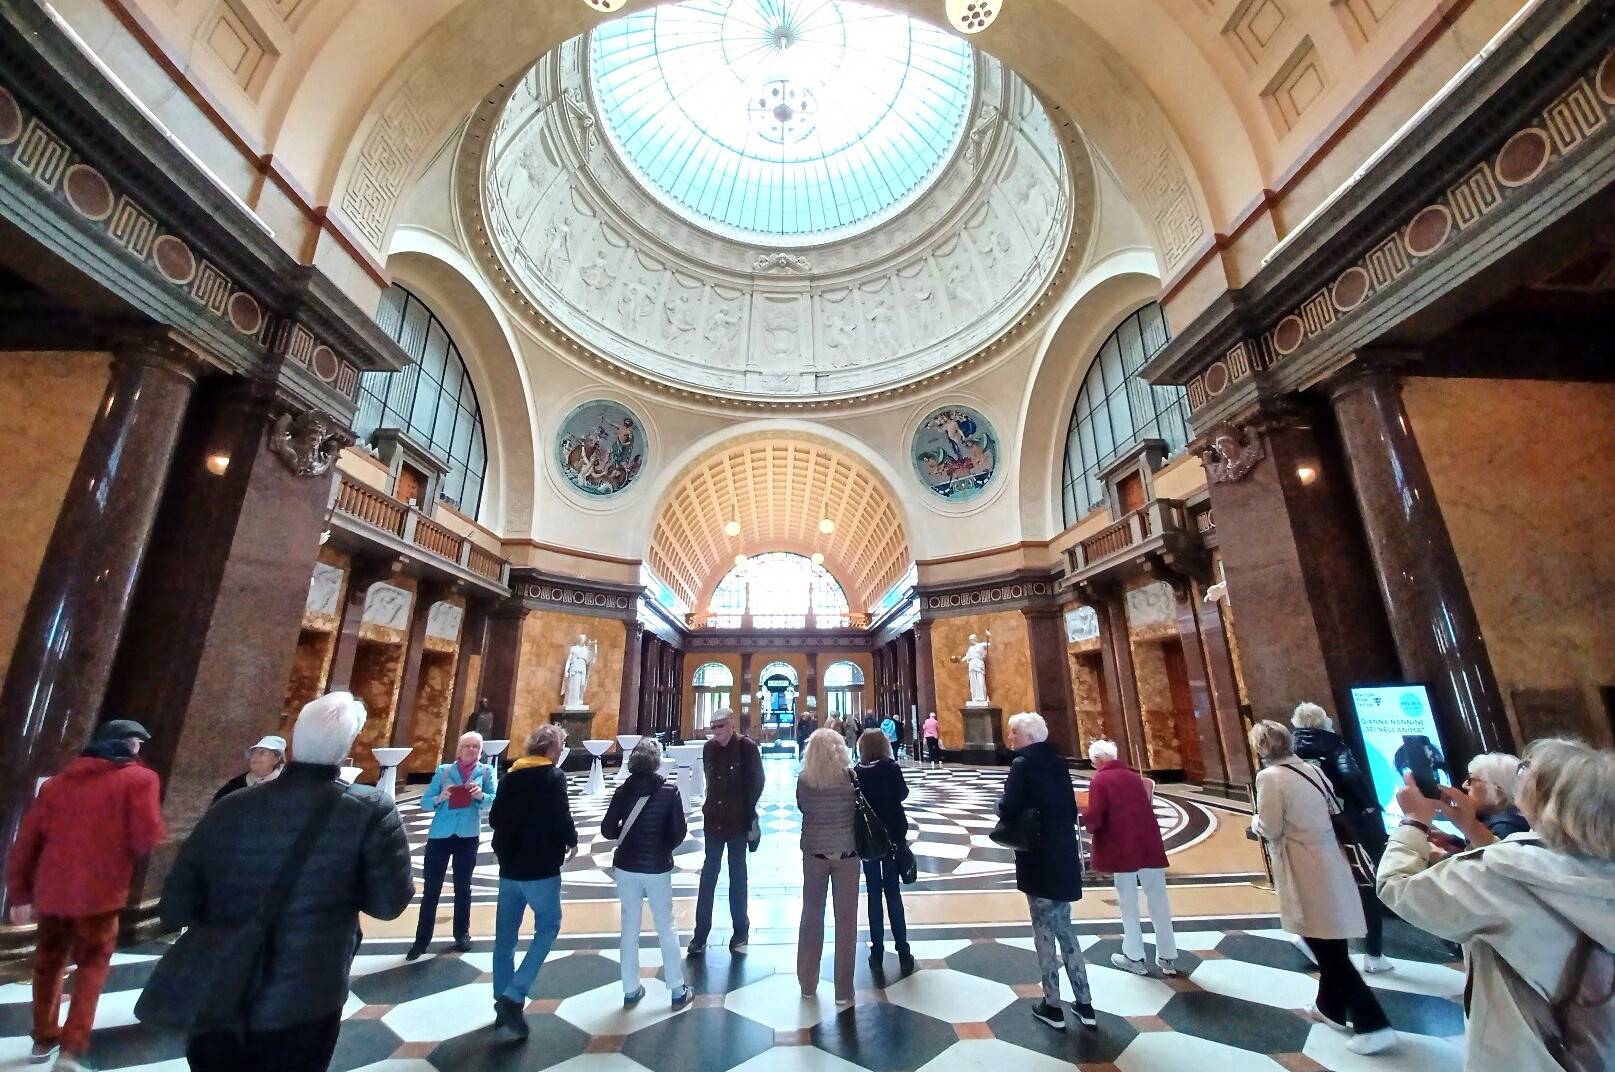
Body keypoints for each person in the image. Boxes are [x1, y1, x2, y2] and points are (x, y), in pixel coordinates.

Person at [160, 693, 413, 1072]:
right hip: (307, 991)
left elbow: (175, 905)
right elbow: (388, 904)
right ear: (348, 747)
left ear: (293, 743)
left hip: (222, 986)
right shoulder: (370, 810)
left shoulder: (231, 805)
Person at [1378, 737, 1615, 1071]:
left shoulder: (1500, 875)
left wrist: (1415, 821)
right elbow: (1539, 863)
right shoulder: (1596, 867)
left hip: (1526, 1054)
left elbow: (1397, 890)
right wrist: (1471, 826)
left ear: (1547, 803)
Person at [7, 719, 164, 1070]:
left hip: (52, 893)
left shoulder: (57, 784)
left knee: (47, 964)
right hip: (100, 895)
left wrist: (18, 893)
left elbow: (27, 842)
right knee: (92, 967)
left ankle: (43, 1037)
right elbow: (146, 836)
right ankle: (72, 1047)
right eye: (138, 743)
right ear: (127, 745)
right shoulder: (140, 779)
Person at [1249, 720, 1396, 1055]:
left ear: (1261, 748)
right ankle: (1329, 1007)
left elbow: (1271, 827)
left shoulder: (1269, 777)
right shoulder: (1312, 769)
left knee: (1325, 948)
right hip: (1330, 861)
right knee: (1330, 941)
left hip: (1304, 867)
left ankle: (1373, 1023)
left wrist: (1255, 822)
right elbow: (1334, 807)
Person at [1000, 712, 1095, 1032]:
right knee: (1065, 927)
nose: (1010, 738)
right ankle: (1085, 1003)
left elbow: (1008, 807)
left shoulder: (1022, 765)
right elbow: (1070, 809)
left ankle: (1052, 1004)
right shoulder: (1058, 763)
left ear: (1028, 737)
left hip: (1038, 856)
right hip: (1063, 852)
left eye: (1014, 733)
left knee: (1042, 928)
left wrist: (1002, 808)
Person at [487, 724, 577, 1040]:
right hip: (540, 867)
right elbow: (560, 816)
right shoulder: (553, 777)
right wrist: (571, 839)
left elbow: (495, 818)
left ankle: (501, 1000)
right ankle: (514, 994)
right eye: (562, 744)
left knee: (505, 938)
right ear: (552, 749)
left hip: (509, 867)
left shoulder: (511, 775)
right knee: (549, 926)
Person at [1290, 701, 1392, 973]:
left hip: (1306, 829)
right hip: (1347, 827)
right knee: (1365, 884)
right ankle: (1374, 953)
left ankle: (1312, 939)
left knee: (1322, 888)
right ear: (1324, 722)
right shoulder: (1335, 746)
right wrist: (1370, 807)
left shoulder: (1289, 750)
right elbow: (1352, 777)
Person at [602, 738, 692, 1011]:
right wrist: (660, 845)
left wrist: (627, 839)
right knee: (666, 925)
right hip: (657, 867)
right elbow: (679, 832)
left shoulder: (622, 791)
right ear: (656, 763)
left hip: (627, 867)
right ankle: (677, 989)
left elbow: (607, 829)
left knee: (629, 927)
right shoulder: (669, 790)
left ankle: (630, 989)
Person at [1081, 739, 1177, 977]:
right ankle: (1168, 955)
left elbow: (1096, 815)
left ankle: (1134, 955)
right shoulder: (1134, 777)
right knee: (1158, 897)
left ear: (1097, 760)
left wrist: (1087, 822)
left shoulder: (1100, 780)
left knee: (1128, 900)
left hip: (1121, 846)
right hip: (1148, 844)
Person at [409, 731, 498, 960]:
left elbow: (493, 800)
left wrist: (480, 796)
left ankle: (462, 934)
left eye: (476, 747)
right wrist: (442, 797)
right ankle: (422, 939)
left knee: (463, 886)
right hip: (440, 834)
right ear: (459, 749)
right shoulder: (444, 771)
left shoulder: (486, 771)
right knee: (432, 888)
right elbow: (425, 802)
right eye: (467, 746)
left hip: (468, 835)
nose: (471, 750)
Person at [689, 708, 764, 956]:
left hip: (737, 823)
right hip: (713, 821)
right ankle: (700, 934)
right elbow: (710, 780)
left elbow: (757, 781)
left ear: (731, 725)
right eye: (713, 727)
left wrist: (745, 808)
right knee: (708, 875)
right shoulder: (709, 749)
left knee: (737, 875)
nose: (716, 731)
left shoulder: (746, 748)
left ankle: (740, 929)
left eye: (720, 726)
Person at [796, 728, 860, 1008]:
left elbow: (802, 808)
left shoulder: (804, 780)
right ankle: (843, 991)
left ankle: (807, 984)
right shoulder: (850, 777)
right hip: (846, 854)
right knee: (846, 923)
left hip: (814, 854)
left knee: (811, 916)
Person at [854, 729, 914, 973]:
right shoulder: (891, 768)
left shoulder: (857, 772)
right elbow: (903, 794)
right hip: (892, 839)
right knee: (893, 893)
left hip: (869, 842)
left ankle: (876, 951)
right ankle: (903, 950)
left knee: (873, 894)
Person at [1429, 751, 1530, 853]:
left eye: (1470, 780)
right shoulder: (1515, 819)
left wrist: (1440, 854)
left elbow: (1492, 863)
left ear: (1497, 789)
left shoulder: (1504, 827)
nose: (1464, 785)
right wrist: (1454, 842)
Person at [211, 735, 287, 805]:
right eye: (253, 753)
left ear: (276, 759)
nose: (255, 757)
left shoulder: (284, 787)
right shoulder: (234, 786)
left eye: (262, 753)